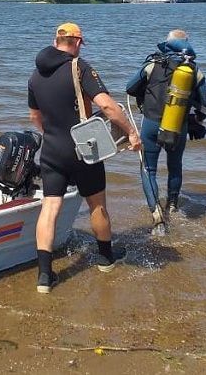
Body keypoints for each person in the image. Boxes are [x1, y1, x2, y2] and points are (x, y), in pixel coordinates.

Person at [28, 22, 142, 294]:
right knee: (96, 204)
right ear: (76, 42)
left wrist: (54, 138)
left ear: (56, 41)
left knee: (50, 209)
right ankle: (105, 259)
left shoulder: (34, 76)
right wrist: (131, 132)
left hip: (52, 150)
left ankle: (45, 276)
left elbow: (35, 117)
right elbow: (105, 105)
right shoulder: (79, 67)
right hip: (82, 149)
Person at [126, 29, 206, 236]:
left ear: (168, 43)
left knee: (148, 169)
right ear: (186, 45)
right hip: (177, 126)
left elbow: (130, 88)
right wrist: (195, 121)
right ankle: (173, 206)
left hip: (151, 124)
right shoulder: (194, 71)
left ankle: (156, 214)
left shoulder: (153, 65)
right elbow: (204, 107)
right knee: (175, 166)